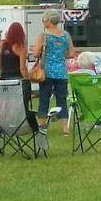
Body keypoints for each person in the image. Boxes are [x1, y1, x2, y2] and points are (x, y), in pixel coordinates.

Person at [27, 9, 73, 137]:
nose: (43, 22)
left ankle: (42, 128)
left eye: (44, 20)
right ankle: (65, 129)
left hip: (46, 72)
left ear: (49, 21)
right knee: (62, 100)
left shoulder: (43, 35)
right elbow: (71, 54)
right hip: (61, 72)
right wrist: (60, 55)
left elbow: (35, 54)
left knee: (44, 99)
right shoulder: (66, 35)